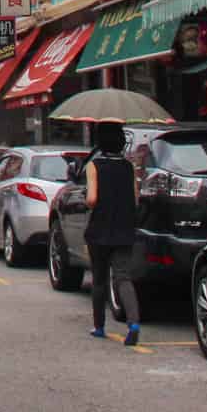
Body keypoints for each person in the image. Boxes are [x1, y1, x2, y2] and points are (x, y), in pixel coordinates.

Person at [84, 121, 141, 346]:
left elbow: (91, 199)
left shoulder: (94, 165)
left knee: (98, 279)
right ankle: (134, 323)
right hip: (124, 228)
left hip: (99, 229)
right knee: (123, 277)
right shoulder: (128, 167)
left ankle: (99, 326)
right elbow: (135, 200)